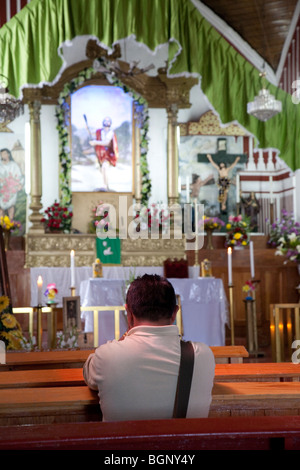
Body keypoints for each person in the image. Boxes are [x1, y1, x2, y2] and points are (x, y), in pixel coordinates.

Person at [83, 274, 215, 422]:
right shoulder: (203, 355)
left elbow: (89, 377)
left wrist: (123, 338)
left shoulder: (106, 356)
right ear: (175, 313)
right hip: (184, 445)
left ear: (129, 313)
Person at [89, 116, 119, 190]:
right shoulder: (100, 131)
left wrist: (95, 142)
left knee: (104, 167)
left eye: (108, 121)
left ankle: (105, 185)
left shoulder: (111, 132)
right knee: (101, 169)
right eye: (105, 120)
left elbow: (106, 143)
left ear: (110, 123)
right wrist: (87, 128)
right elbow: (93, 134)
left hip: (108, 154)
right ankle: (106, 184)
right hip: (100, 154)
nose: (106, 122)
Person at [0, 148, 24, 219]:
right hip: (2, 189)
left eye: (4, 153)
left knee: (11, 207)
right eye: (1, 154)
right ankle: (1, 226)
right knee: (1, 208)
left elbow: (19, 176)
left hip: (11, 189)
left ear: (8, 154)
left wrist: (19, 184)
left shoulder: (14, 165)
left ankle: (11, 225)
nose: (2, 155)